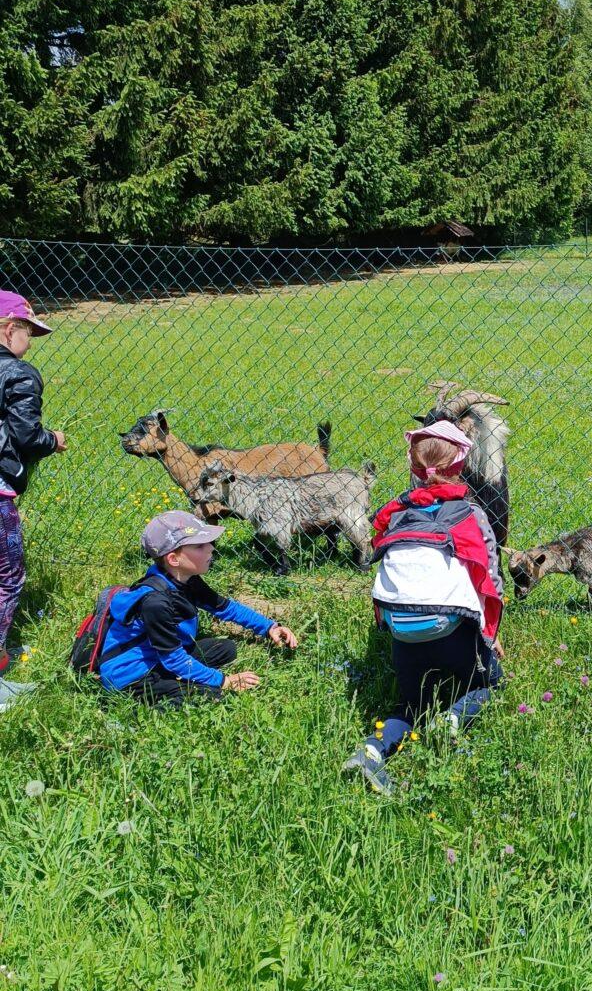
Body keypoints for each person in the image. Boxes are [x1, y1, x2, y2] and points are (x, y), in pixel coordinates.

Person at [343, 420, 504, 797]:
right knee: (489, 682)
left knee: (409, 704)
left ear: (413, 468)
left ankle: (371, 751)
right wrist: (490, 636)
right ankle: (449, 722)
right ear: (460, 467)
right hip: (453, 629)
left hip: (401, 630)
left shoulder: (393, 514)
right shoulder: (470, 516)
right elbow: (489, 581)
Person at [97, 511, 298, 705]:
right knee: (213, 695)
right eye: (200, 545)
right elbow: (174, 659)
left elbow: (226, 608)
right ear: (173, 559)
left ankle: (181, 678)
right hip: (132, 675)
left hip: (159, 658)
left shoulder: (186, 580)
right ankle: (158, 699)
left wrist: (269, 627)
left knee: (226, 649)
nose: (211, 548)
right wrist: (224, 681)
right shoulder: (156, 603)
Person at [0, 291, 66, 709]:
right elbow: (26, 436)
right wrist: (53, 440)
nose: (31, 341)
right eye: (29, 331)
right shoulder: (19, 373)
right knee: (7, 576)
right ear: (9, 329)